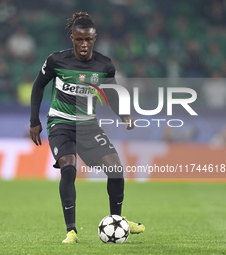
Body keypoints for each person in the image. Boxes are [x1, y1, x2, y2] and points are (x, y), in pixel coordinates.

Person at [29, 12, 145, 244]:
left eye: (88, 40)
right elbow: (38, 86)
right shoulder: (56, 61)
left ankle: (118, 220)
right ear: (72, 38)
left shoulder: (104, 65)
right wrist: (34, 121)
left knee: (116, 169)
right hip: (60, 123)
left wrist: (124, 114)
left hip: (88, 126)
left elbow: (111, 94)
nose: (84, 44)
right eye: (79, 39)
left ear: (95, 38)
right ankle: (71, 231)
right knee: (69, 167)